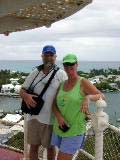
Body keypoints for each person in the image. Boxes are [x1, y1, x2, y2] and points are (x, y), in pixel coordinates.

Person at [51, 53, 105, 160]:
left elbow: (102, 96)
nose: (69, 67)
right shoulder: (62, 84)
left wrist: (88, 97)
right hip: (60, 127)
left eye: (72, 64)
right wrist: (59, 117)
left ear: (77, 65)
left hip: (74, 130)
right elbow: (53, 104)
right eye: (66, 64)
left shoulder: (83, 82)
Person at [20, 45, 67, 160]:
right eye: (46, 55)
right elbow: (22, 89)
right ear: (42, 56)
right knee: (33, 147)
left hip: (51, 119)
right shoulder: (35, 72)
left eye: (51, 55)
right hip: (34, 117)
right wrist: (26, 96)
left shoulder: (61, 74)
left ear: (55, 57)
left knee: (50, 148)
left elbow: (68, 93)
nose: (49, 58)